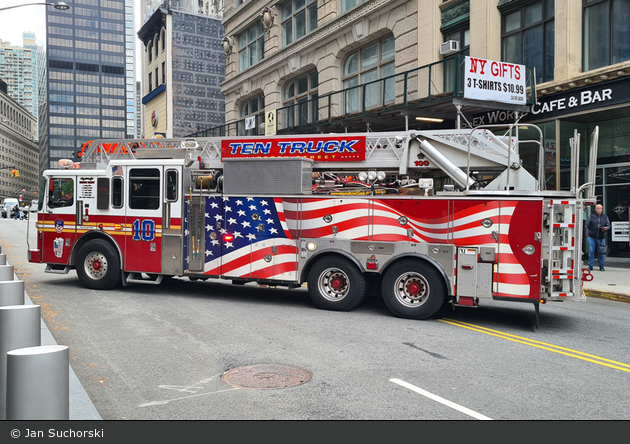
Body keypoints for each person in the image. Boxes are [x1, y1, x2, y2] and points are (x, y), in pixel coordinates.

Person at [585, 204, 610, 271]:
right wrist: (587, 234)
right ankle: (590, 266)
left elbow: (608, 226)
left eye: (601, 208)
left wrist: (605, 228)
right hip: (591, 237)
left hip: (601, 237)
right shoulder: (591, 216)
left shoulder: (605, 217)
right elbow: (586, 226)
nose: (599, 210)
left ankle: (601, 266)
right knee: (591, 251)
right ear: (595, 209)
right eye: (598, 208)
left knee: (601, 252)